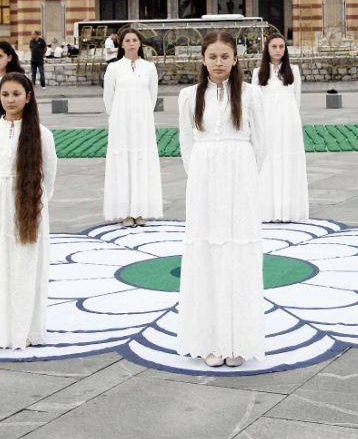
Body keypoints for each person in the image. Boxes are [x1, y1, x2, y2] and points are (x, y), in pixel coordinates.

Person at [177, 30, 267, 368]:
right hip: (204, 178)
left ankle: (238, 340)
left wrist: (245, 175)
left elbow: (262, 143)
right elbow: (186, 144)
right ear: (203, 59)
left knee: (238, 253)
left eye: (225, 57)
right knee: (207, 253)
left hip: (239, 175)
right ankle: (210, 341)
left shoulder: (251, 94)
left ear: (235, 59)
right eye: (213, 57)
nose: (219, 63)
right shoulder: (188, 96)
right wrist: (201, 176)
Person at [0, 72, 58, 349]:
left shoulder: (42, 134)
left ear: (28, 97)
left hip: (29, 206)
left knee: (24, 264)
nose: (10, 100)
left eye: (16, 94)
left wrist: (37, 203)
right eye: (5, 94)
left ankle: (24, 328)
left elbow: (49, 174)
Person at [103, 27, 163, 227]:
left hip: (142, 123)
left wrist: (142, 113)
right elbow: (108, 98)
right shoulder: (114, 68)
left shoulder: (149, 68)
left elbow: (152, 95)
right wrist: (118, 116)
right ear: (121, 44)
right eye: (127, 40)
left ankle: (140, 210)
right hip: (121, 123)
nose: (131, 43)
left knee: (141, 162)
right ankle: (125, 212)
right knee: (123, 162)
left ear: (140, 43)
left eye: (134, 40)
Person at [256, 34, 308, 223]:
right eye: (274, 46)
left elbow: (297, 100)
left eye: (281, 46)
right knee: (268, 163)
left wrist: (291, 121)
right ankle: (267, 209)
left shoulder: (293, 71)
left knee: (288, 161)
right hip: (268, 124)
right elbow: (255, 102)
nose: (278, 50)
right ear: (267, 49)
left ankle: (289, 209)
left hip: (288, 124)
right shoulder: (258, 73)